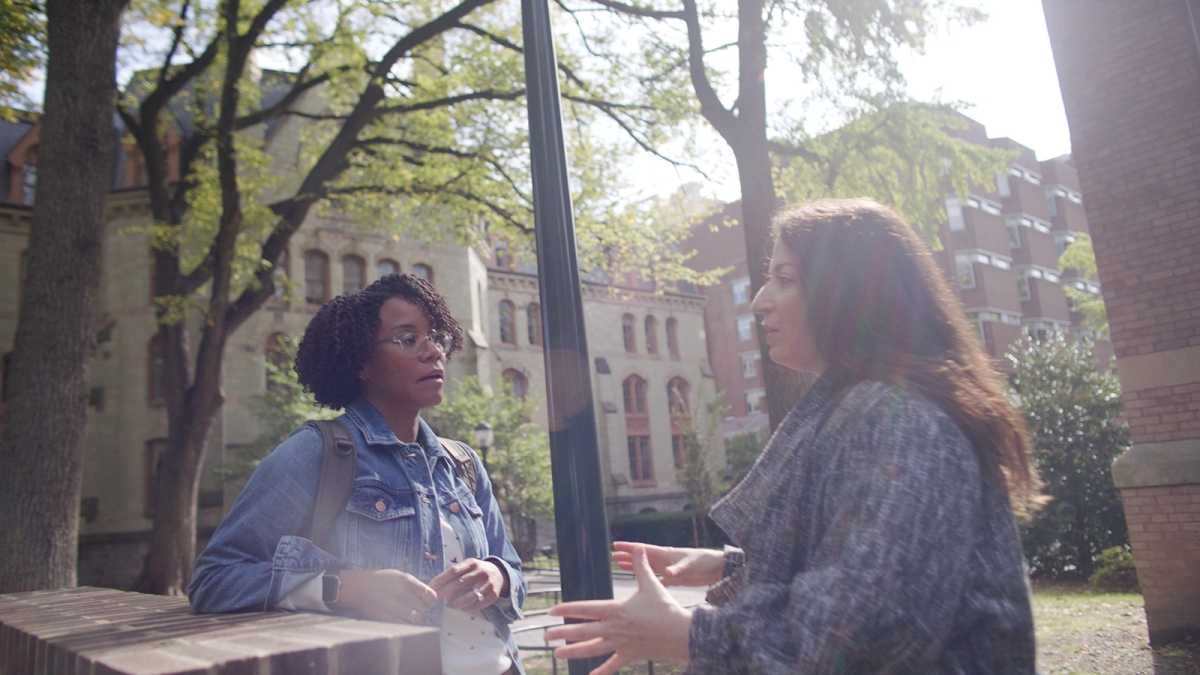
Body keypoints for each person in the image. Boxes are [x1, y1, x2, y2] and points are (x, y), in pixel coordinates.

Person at [547, 198, 1040, 674]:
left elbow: (872, 630)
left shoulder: (898, 416)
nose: (760, 301)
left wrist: (685, 633)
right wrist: (728, 566)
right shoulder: (868, 403)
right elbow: (871, 558)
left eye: (784, 279)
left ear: (850, 294)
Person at [189, 273, 527, 675]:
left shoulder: (462, 463)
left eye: (436, 337)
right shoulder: (317, 452)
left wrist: (497, 575)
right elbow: (215, 579)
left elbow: (513, 568)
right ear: (362, 362)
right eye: (408, 339)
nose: (433, 351)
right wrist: (346, 586)